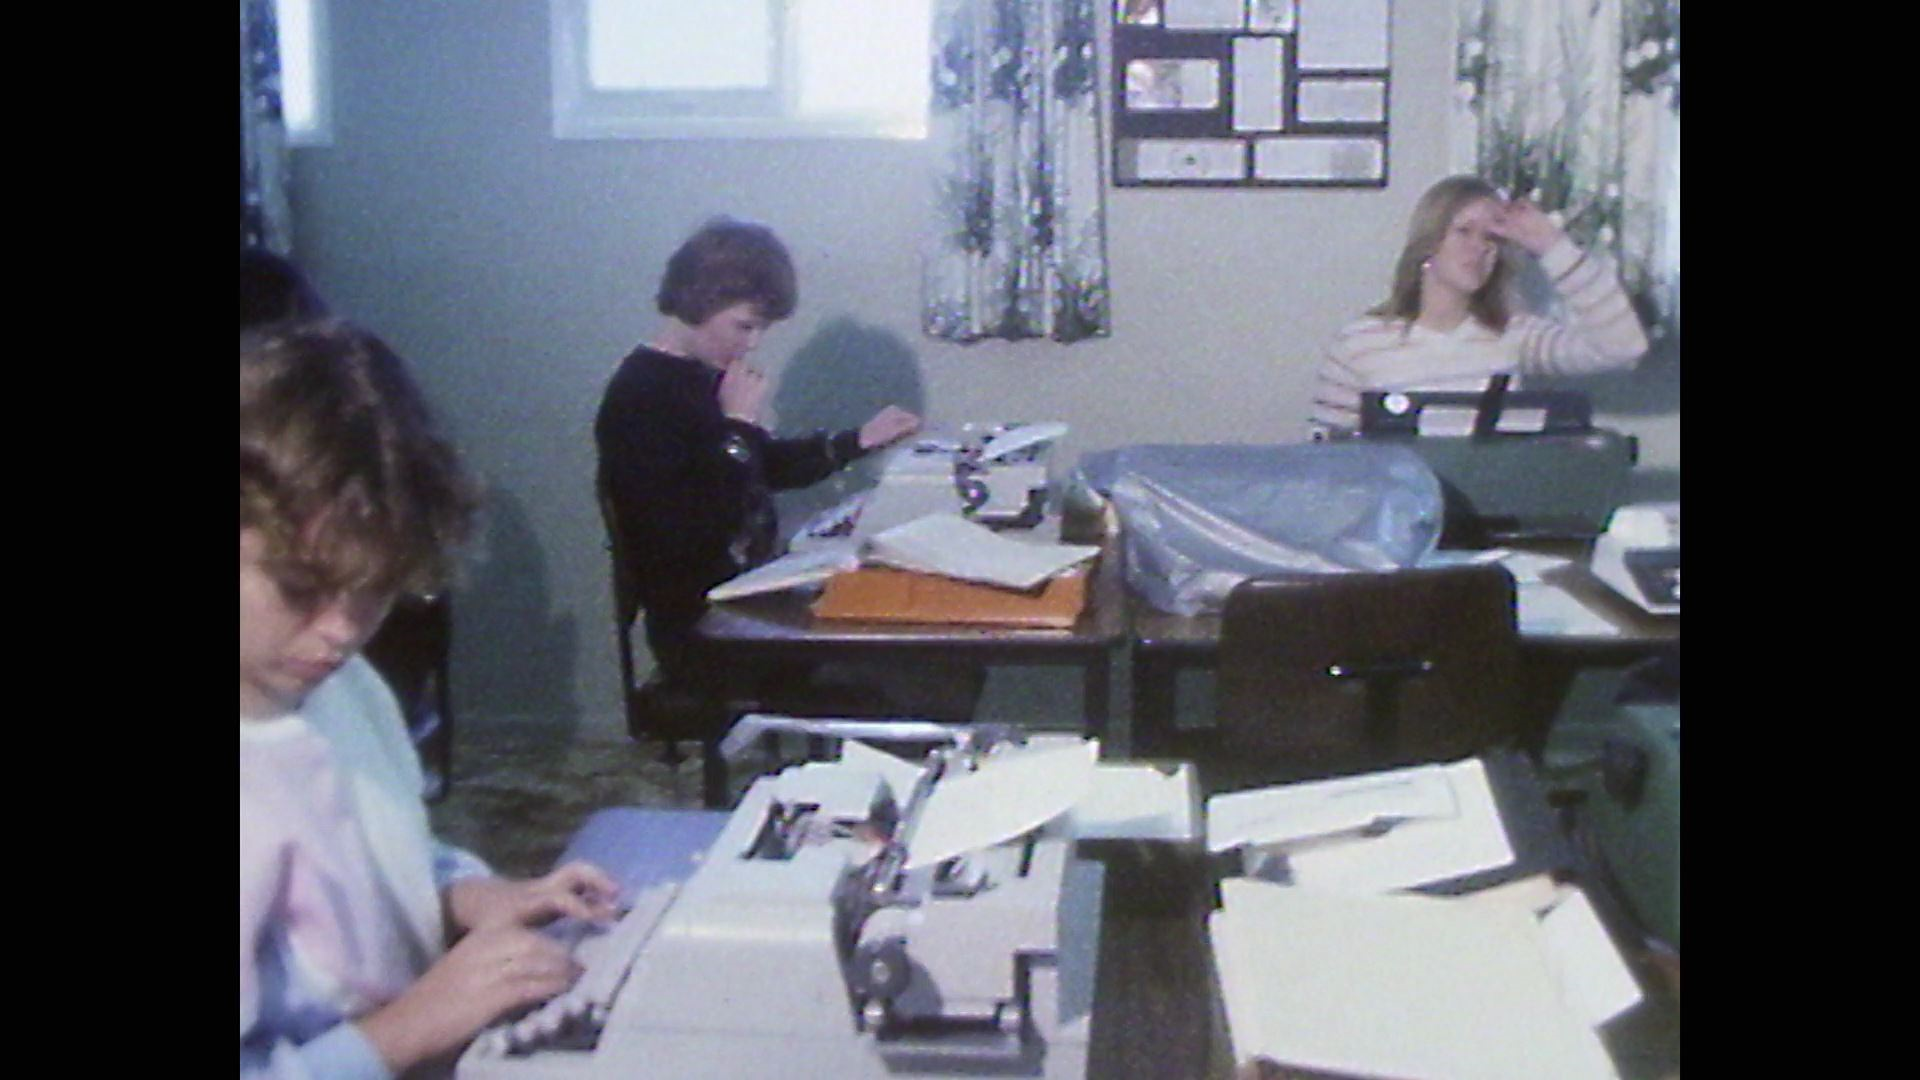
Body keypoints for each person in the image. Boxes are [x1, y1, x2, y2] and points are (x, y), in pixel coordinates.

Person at [241, 318, 622, 1078]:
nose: (342, 630)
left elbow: (387, 854)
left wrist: (474, 895)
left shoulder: (344, 688)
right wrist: (408, 1028)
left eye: (375, 590)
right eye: (301, 589)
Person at [594, 217, 921, 684]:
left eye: (760, 330)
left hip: (739, 598)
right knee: (909, 665)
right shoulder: (640, 393)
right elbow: (685, 530)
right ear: (700, 302)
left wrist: (856, 441)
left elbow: (762, 465)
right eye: (743, 326)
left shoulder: (695, 375)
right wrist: (739, 426)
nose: (751, 344)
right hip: (703, 625)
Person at [1308, 174, 1650, 437]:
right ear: (1429, 242)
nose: (1479, 248)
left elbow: (1623, 347)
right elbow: (1327, 456)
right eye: (1464, 231)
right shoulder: (1359, 343)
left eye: (1491, 238)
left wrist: (1551, 245)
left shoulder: (1515, 333)